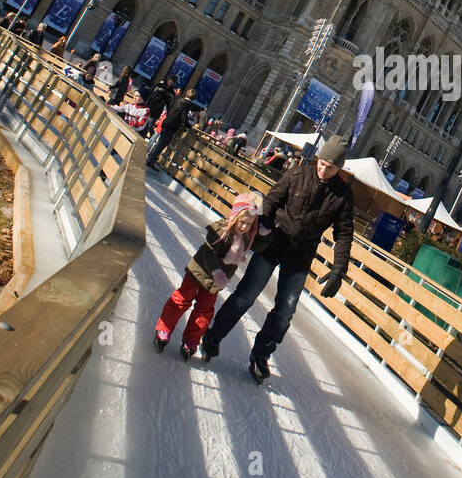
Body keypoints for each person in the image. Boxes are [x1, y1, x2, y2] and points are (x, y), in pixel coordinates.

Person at [200, 134, 354, 384]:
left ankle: (261, 355)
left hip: (300, 255)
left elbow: (344, 233)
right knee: (246, 294)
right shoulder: (297, 175)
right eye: (322, 163)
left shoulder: (343, 196)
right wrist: (260, 230)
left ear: (339, 168)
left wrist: (339, 268)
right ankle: (214, 335)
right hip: (274, 242)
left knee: (285, 310)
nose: (324, 170)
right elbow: (271, 202)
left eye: (331, 167)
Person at [154, 193, 260, 359]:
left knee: (204, 311)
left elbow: (261, 243)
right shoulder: (220, 230)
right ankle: (164, 329)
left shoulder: (247, 239)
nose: (244, 227)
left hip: (215, 284)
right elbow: (209, 252)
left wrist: (266, 233)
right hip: (199, 272)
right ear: (234, 216)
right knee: (181, 299)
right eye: (242, 222)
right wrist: (216, 272)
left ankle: (191, 340)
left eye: (249, 224)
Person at [146, 86, 198, 170]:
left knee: (161, 142)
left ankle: (152, 158)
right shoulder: (187, 104)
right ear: (193, 98)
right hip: (171, 125)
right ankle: (150, 160)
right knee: (161, 143)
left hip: (167, 122)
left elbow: (171, 110)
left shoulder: (179, 99)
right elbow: (184, 116)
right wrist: (188, 126)